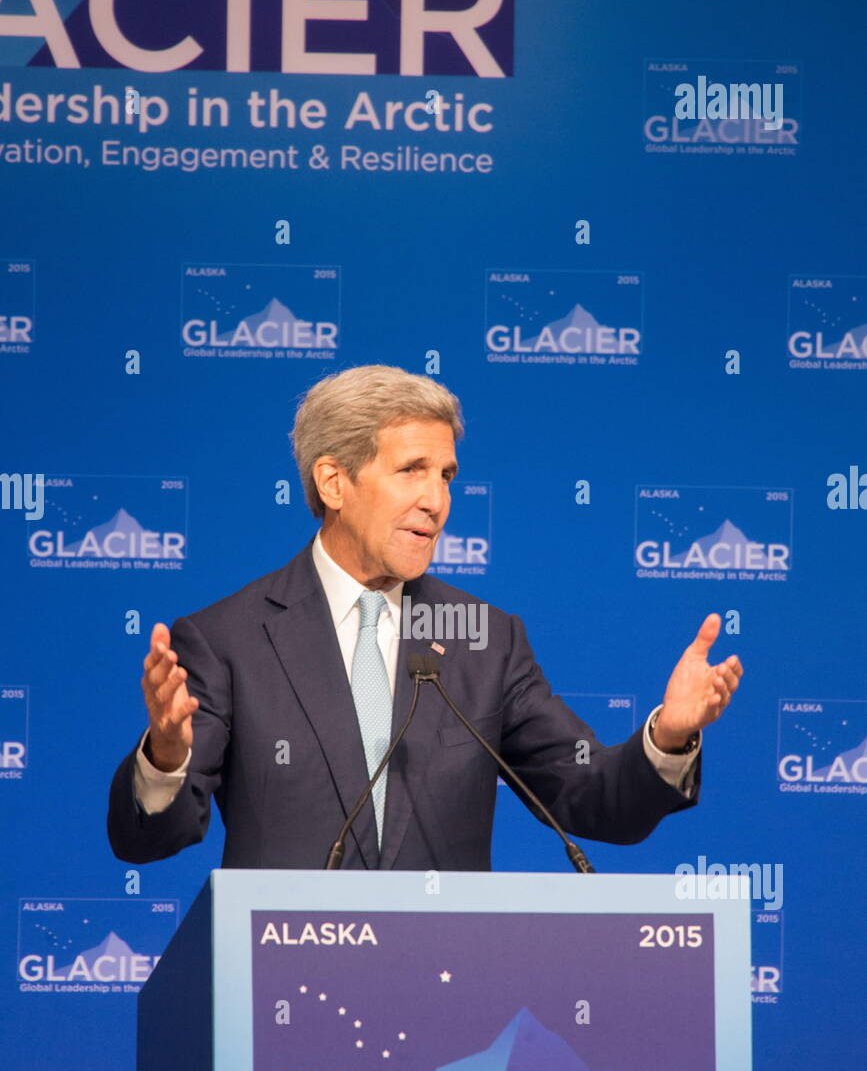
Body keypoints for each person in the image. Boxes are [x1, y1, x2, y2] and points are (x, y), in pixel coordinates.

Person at [107, 364, 742, 871]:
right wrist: (166, 756)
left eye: (446, 476)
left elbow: (597, 799)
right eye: (411, 470)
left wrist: (668, 737)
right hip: (283, 987)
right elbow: (153, 838)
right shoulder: (228, 639)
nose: (436, 501)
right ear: (332, 482)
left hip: (446, 994)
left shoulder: (484, 641)